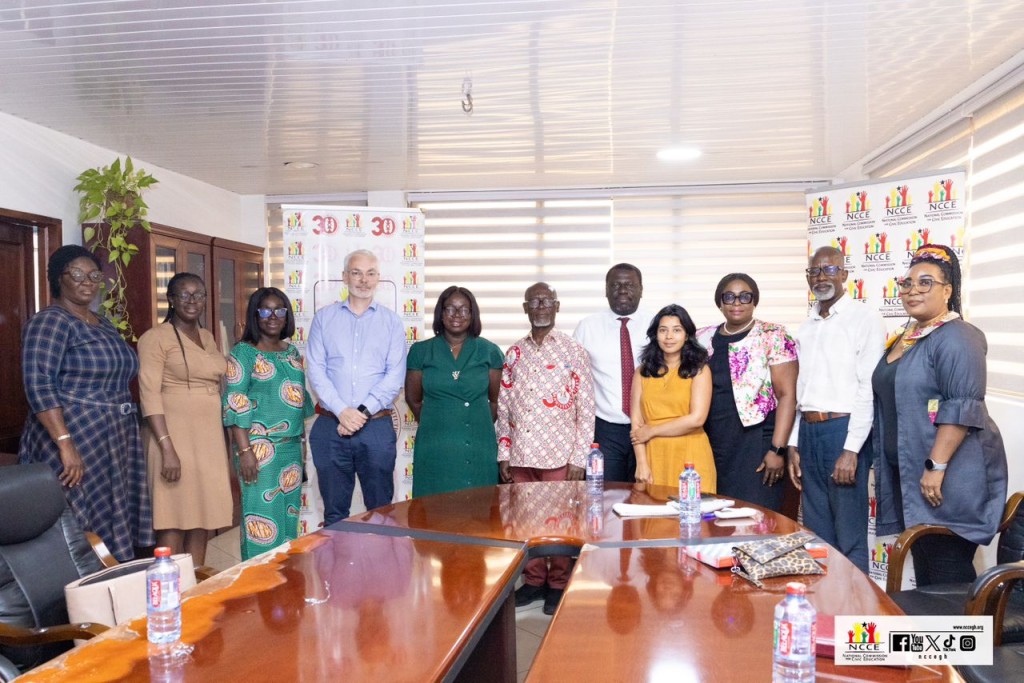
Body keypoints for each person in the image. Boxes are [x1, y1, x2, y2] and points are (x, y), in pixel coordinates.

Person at [871, 244, 1007, 585]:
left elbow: (962, 407)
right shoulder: (907, 338)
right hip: (911, 475)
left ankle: (962, 623)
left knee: (947, 573)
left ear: (947, 290)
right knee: (927, 570)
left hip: (946, 478)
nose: (913, 290)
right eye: (907, 283)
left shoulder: (958, 336)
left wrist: (936, 467)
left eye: (925, 282)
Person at [19, 244, 153, 561]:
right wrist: (65, 444)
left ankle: (110, 578)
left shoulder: (101, 323)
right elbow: (39, 384)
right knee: (77, 524)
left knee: (108, 515)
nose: (87, 282)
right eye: (77, 274)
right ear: (58, 278)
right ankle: (77, 586)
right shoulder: (50, 322)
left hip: (113, 438)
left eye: (94, 275)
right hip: (74, 436)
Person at [497, 282, 595, 615]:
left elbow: (586, 408)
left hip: (559, 455)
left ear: (557, 306)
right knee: (526, 522)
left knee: (561, 523)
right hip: (522, 454)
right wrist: (504, 452)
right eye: (534, 302)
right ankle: (534, 581)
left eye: (546, 301)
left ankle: (558, 584)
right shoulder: (514, 352)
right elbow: (504, 407)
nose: (540, 307)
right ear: (525, 308)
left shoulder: (573, 351)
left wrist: (579, 458)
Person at [787, 246, 885, 573]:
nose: (821, 277)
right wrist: (794, 442)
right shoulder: (807, 325)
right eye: (815, 271)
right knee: (817, 536)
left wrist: (851, 449)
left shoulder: (864, 319)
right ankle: (824, 603)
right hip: (809, 431)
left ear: (844, 274)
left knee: (849, 535)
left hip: (843, 432)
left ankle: (855, 605)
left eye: (829, 270)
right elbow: (803, 390)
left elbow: (868, 387)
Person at [306, 249, 406, 525]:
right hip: (330, 427)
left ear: (378, 278)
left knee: (381, 512)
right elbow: (316, 370)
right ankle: (336, 556)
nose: (364, 280)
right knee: (334, 514)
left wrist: (359, 413)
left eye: (370, 273)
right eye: (356, 273)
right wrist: (342, 411)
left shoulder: (391, 322)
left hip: (375, 427)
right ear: (344, 277)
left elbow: (394, 376)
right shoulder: (324, 319)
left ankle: (379, 556)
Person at [138, 272, 232, 565]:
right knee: (173, 518)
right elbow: (149, 394)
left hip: (208, 438)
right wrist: (167, 448)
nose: (193, 301)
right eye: (185, 294)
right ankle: (170, 585)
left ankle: (195, 584)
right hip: (173, 437)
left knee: (202, 517)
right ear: (171, 299)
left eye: (199, 295)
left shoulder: (207, 337)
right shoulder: (155, 338)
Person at [224, 287, 314, 560]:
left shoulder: (291, 352)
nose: (272, 316)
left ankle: (283, 580)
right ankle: (258, 580)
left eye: (279, 310)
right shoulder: (243, 353)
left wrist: (302, 448)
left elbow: (298, 403)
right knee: (261, 523)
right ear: (255, 315)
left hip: (290, 450)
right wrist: (245, 451)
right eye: (265, 310)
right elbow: (235, 402)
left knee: (288, 524)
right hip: (258, 451)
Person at [695, 274, 798, 511]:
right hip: (714, 443)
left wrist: (777, 450)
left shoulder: (773, 334)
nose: (737, 302)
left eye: (745, 296)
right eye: (729, 297)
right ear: (720, 302)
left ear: (754, 301)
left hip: (757, 444)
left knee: (756, 517)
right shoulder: (701, 338)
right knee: (716, 518)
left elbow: (787, 395)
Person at [405, 286, 503, 497]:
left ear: (473, 314)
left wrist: (471, 421)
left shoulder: (490, 351)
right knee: (433, 506)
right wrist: (439, 419)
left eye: (464, 309)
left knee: (479, 505)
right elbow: (413, 400)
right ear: (440, 313)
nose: (457, 315)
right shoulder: (421, 351)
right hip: (434, 442)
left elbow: (496, 401)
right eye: (450, 308)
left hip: (478, 441)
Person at [574, 264, 651, 482]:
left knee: (648, 493)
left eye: (630, 285)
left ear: (641, 289)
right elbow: (573, 379)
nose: (623, 290)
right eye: (615, 285)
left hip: (649, 426)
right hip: (605, 429)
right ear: (606, 290)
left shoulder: (658, 325)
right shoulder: (587, 327)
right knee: (607, 494)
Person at [630, 304, 715, 490]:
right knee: (651, 508)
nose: (669, 336)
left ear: (687, 335)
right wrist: (641, 463)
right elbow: (636, 424)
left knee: (692, 508)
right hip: (653, 456)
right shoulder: (642, 372)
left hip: (691, 456)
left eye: (677, 330)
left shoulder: (699, 370)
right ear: (655, 335)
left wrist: (652, 430)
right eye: (663, 330)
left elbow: (697, 419)